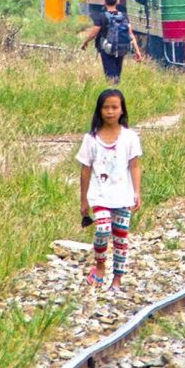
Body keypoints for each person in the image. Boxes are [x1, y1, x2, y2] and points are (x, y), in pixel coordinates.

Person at [77, 88, 143, 290]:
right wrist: (83, 200)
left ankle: (117, 279)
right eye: (106, 107)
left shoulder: (129, 137)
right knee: (102, 229)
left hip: (122, 195)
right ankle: (99, 266)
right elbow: (85, 170)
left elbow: (134, 166)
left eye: (115, 107)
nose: (110, 111)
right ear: (99, 110)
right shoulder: (91, 139)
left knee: (121, 237)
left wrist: (136, 192)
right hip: (99, 195)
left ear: (122, 110)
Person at [80, 0, 143, 81]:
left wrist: (85, 42)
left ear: (105, 2)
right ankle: (116, 84)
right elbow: (131, 35)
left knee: (110, 74)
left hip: (106, 48)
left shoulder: (102, 16)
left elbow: (94, 33)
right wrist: (137, 51)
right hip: (121, 47)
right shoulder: (124, 16)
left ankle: (113, 86)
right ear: (117, 2)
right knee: (117, 72)